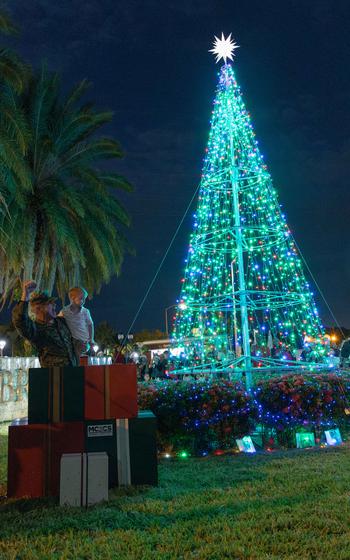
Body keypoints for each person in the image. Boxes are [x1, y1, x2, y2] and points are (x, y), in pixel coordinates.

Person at [12, 280, 78, 367]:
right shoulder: (35, 329)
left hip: (73, 371)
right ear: (38, 308)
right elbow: (20, 321)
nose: (54, 305)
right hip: (53, 376)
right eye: (50, 303)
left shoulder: (61, 322)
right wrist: (26, 295)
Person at [58, 286, 95, 360]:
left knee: (76, 355)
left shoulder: (85, 312)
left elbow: (90, 325)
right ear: (72, 298)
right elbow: (57, 321)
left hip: (83, 341)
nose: (83, 301)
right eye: (81, 299)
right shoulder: (65, 311)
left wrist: (91, 339)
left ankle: (76, 366)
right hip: (71, 340)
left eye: (84, 299)